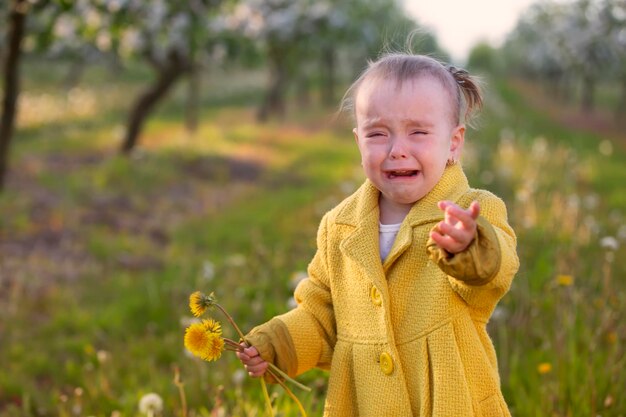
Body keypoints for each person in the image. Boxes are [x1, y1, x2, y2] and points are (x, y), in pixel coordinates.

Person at [237, 52, 520, 416]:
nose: (396, 150)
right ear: (358, 141)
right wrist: (278, 343)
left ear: (453, 142)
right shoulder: (339, 227)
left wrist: (469, 247)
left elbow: (495, 274)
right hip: (365, 404)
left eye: (418, 132)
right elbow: (323, 316)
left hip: (446, 402)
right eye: (377, 134)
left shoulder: (470, 212)